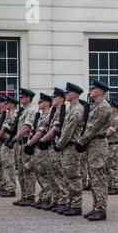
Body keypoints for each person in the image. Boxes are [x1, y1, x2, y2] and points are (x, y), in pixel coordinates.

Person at [76, 80, 112, 221]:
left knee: (99, 178)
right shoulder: (94, 106)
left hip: (97, 143)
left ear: (100, 91)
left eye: (93, 88)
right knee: (93, 177)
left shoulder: (104, 107)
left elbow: (93, 127)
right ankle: (96, 206)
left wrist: (81, 141)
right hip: (92, 144)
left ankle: (101, 209)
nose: (90, 90)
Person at [53, 82, 85, 216]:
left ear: (75, 94)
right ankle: (71, 203)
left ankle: (76, 205)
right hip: (66, 147)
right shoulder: (70, 108)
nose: (65, 94)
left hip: (71, 146)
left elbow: (68, 131)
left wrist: (59, 144)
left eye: (68, 92)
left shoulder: (77, 109)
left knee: (73, 176)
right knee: (67, 176)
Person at [38, 87, 69, 211]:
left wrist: (43, 139)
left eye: (54, 97)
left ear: (61, 98)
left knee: (59, 174)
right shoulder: (55, 112)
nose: (52, 99)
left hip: (57, 146)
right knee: (52, 174)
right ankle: (56, 199)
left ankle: (63, 200)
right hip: (51, 145)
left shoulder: (63, 111)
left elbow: (56, 129)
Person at [8, 88, 37, 207]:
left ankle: (30, 196)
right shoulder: (24, 111)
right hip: (20, 145)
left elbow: (26, 128)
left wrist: (15, 139)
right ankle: (24, 195)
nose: (20, 98)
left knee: (28, 170)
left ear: (28, 98)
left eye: (22, 97)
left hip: (25, 143)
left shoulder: (30, 111)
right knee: (21, 171)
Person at [27, 93, 55, 209]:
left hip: (42, 147)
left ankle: (47, 197)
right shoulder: (42, 115)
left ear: (47, 103)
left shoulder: (48, 116)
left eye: (41, 101)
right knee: (38, 171)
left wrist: (29, 143)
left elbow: (40, 133)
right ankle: (44, 196)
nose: (39, 103)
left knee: (44, 172)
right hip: (37, 147)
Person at [106, 100, 118, 195]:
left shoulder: (117, 120)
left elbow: (108, 133)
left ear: (115, 109)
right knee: (108, 167)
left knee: (113, 167)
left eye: (111, 107)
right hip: (108, 145)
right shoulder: (111, 119)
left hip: (113, 145)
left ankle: (115, 187)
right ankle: (110, 185)